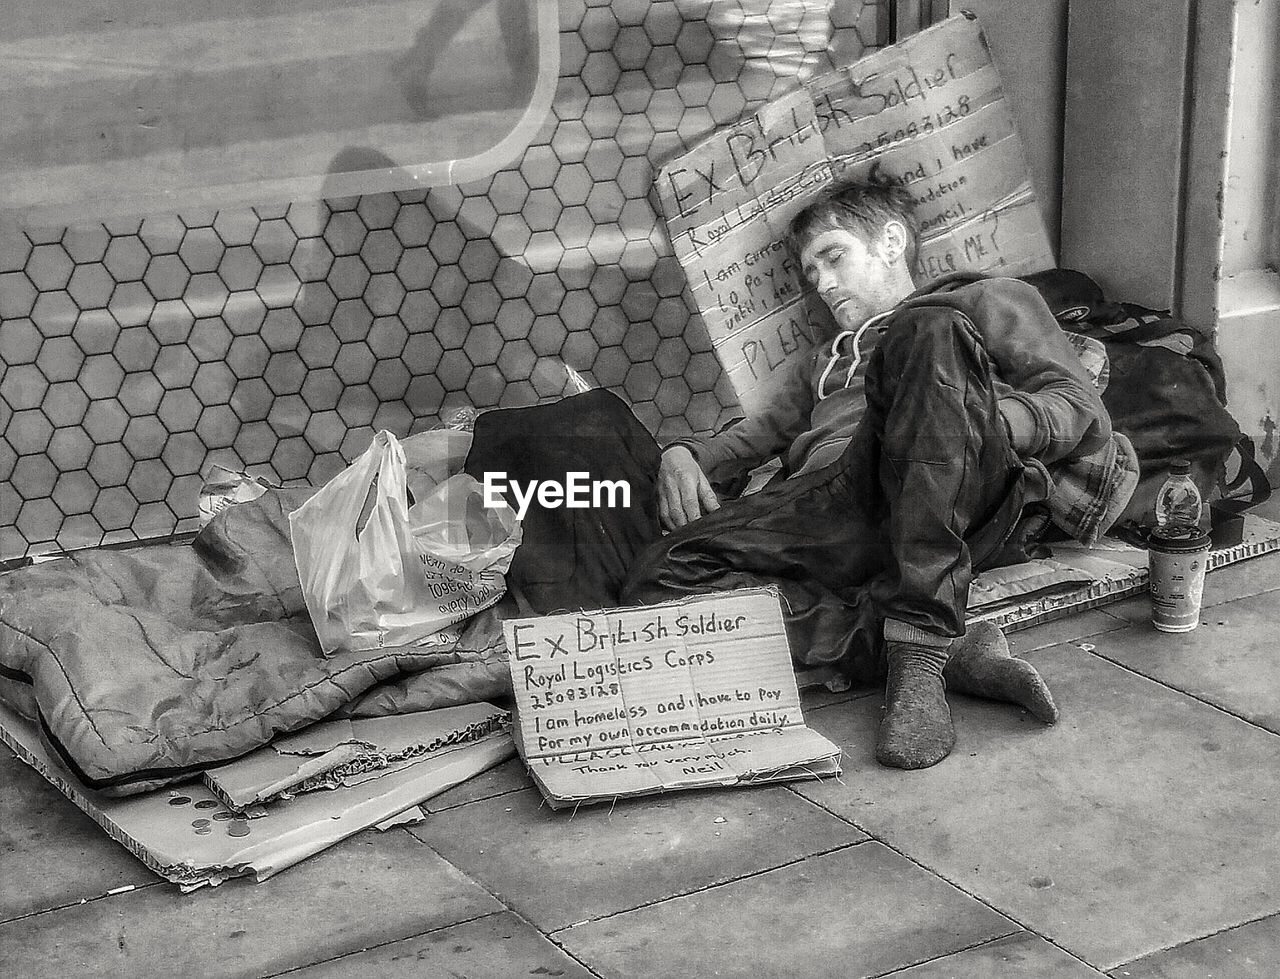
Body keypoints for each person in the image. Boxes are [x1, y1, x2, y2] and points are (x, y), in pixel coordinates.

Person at [620, 176, 1138, 769]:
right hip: (839, 500)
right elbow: (749, 440)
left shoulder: (981, 302)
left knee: (925, 332)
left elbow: (1079, 407)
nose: (823, 284)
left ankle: (918, 646)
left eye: (833, 257)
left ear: (891, 242)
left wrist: (972, 425)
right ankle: (933, 647)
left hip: (951, 484)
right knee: (657, 577)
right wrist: (683, 454)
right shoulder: (825, 361)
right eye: (810, 274)